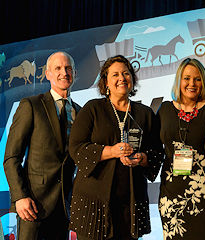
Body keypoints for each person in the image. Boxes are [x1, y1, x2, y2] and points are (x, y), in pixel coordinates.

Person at [67, 55, 163, 240]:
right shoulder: (92, 109)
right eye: (115, 74)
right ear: (106, 82)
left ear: (132, 79)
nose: (122, 78)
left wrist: (142, 158)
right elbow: (76, 148)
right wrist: (111, 151)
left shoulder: (144, 114)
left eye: (126, 73)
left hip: (130, 204)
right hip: (94, 205)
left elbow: (157, 152)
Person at [3, 51, 80, 239]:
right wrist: (20, 197)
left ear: (75, 74)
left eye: (68, 68)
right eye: (58, 68)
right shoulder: (31, 105)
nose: (64, 72)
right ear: (48, 74)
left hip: (64, 207)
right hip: (32, 205)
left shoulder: (80, 112)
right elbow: (11, 157)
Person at [157, 58, 205, 239]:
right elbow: (153, 146)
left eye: (197, 79)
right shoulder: (165, 109)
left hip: (204, 195)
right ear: (179, 80)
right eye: (187, 78)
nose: (192, 84)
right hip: (171, 194)